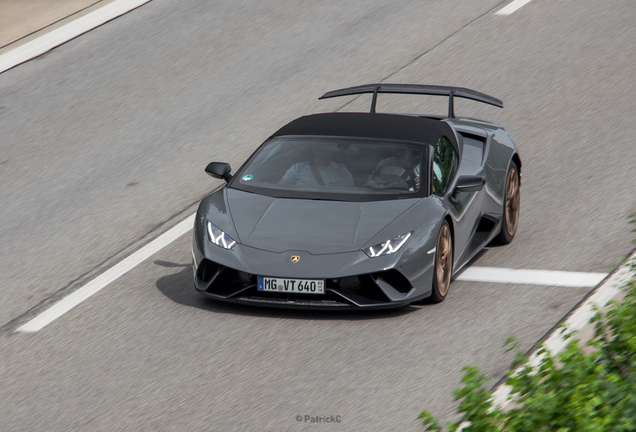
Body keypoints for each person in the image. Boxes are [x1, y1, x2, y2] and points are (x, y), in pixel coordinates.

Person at [278, 144, 354, 187]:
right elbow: (280, 188)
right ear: (313, 151)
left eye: (323, 150)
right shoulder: (297, 168)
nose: (320, 153)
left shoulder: (340, 170)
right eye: (317, 150)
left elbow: (349, 195)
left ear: (330, 152)